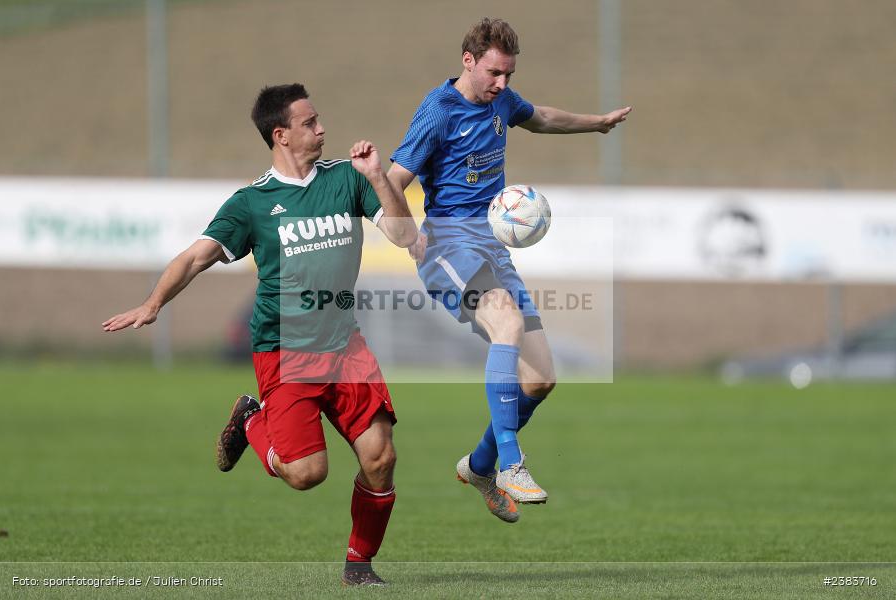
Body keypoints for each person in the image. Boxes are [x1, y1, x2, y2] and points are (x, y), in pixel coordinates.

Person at [102, 83, 417, 586]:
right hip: (284, 349)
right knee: (306, 474)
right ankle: (253, 419)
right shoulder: (252, 203)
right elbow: (196, 257)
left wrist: (379, 178)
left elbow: (405, 238)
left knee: (381, 457)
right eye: (309, 123)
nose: (322, 129)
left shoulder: (347, 180)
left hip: (343, 344)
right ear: (281, 135)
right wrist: (153, 302)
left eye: (318, 120)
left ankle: (358, 566)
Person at [387, 17, 631, 523]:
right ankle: (511, 464)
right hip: (450, 245)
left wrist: (597, 123)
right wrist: (410, 236)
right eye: (494, 73)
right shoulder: (437, 112)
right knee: (507, 323)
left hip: (493, 246)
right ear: (468, 60)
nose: (502, 84)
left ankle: (479, 466)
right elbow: (391, 179)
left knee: (541, 379)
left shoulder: (501, 100)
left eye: (509, 74)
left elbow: (538, 116)